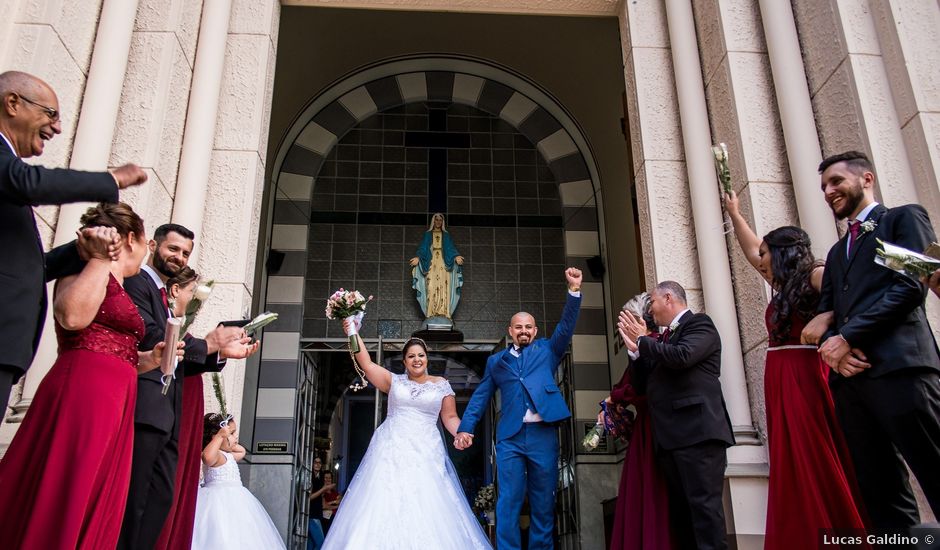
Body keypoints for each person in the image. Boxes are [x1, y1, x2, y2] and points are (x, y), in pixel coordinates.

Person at [0, 202, 178, 549]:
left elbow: (117, 348)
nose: (143, 256)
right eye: (144, 244)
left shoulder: (122, 284)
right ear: (131, 239)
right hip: (86, 390)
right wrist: (99, 259)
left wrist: (150, 359)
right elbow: (72, 318)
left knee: (98, 486)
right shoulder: (84, 269)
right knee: (72, 481)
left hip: (116, 394)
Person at [803, 151, 940, 529]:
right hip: (852, 385)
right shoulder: (834, 254)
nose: (829, 192)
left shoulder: (901, 219)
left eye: (836, 182)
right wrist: (834, 351)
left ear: (866, 179)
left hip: (902, 369)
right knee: (880, 491)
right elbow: (825, 312)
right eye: (823, 187)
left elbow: (912, 286)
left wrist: (847, 336)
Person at [724, 192, 868, 547]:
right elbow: (750, 250)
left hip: (805, 377)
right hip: (781, 380)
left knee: (813, 453)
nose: (761, 260)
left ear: (783, 252)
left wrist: (829, 318)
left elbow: (855, 302)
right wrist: (734, 214)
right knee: (790, 460)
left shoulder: (816, 275)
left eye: (766, 253)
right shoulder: (784, 285)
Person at [0, 70, 147, 407]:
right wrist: (111, 180)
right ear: (13, 104)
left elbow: (31, 267)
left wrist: (89, 249)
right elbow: (28, 183)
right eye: (50, 114)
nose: (58, 128)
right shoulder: (9, 168)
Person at [118, 223, 258, 550]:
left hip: (168, 416)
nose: (179, 257)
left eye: (185, 253)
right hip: (146, 408)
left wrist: (221, 352)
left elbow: (182, 351)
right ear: (153, 245)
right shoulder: (137, 283)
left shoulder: (162, 295)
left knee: (160, 497)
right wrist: (210, 344)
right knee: (136, 497)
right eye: (173, 249)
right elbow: (154, 339)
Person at [321, 327, 492, 549]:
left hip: (426, 451)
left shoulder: (442, 385)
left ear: (427, 358)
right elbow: (366, 363)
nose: (416, 359)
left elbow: (450, 417)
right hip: (391, 450)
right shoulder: (394, 382)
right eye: (411, 356)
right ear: (404, 361)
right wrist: (352, 329)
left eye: (421, 355)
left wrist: (461, 432)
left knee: (427, 501)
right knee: (386, 499)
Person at [454, 268, 583, 550]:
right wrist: (466, 427)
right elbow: (481, 396)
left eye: (529, 327)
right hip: (511, 437)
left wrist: (574, 291)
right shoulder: (496, 362)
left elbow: (566, 325)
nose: (523, 331)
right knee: (508, 500)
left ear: (535, 331)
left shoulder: (549, 350)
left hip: (543, 435)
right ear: (510, 331)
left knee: (543, 501)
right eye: (518, 327)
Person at [618, 281, 734, 550]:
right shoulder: (664, 338)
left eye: (653, 304)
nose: (651, 311)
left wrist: (643, 341)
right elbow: (641, 386)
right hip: (670, 439)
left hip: (698, 434)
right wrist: (635, 353)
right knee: (682, 516)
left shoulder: (700, 325)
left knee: (705, 513)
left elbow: (682, 357)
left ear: (668, 298)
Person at [605, 293, 673, 550]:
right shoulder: (641, 349)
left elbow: (637, 387)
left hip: (654, 429)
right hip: (645, 429)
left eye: (626, 321)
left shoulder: (655, 345)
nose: (621, 328)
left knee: (652, 490)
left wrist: (615, 398)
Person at [153, 266, 208, 550]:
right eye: (191, 292)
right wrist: (212, 344)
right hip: (156, 413)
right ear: (175, 291)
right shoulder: (160, 314)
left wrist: (217, 350)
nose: (194, 298)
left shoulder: (177, 321)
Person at [191, 413, 286, 550]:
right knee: (221, 533)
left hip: (236, 499)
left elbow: (242, 452)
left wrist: (230, 441)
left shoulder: (227, 456)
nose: (236, 437)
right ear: (215, 437)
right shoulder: (216, 455)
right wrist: (220, 436)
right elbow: (207, 457)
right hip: (218, 501)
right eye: (232, 433)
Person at [409, 212, 464, 320]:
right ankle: (431, 312)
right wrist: (418, 258)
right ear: (433, 221)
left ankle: (444, 312)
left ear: (442, 222)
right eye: (436, 219)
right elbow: (423, 248)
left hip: (443, 264)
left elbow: (450, 248)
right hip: (431, 263)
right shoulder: (428, 234)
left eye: (440, 220)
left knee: (444, 287)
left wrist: (456, 256)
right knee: (430, 286)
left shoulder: (446, 235)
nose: (438, 222)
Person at [306, 456, 331, 550]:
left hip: (316, 513)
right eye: (315, 462)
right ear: (311, 464)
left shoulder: (319, 478)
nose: (317, 464)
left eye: (319, 462)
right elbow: (309, 497)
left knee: (311, 545)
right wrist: (323, 489)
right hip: (312, 514)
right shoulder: (310, 477)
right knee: (321, 543)